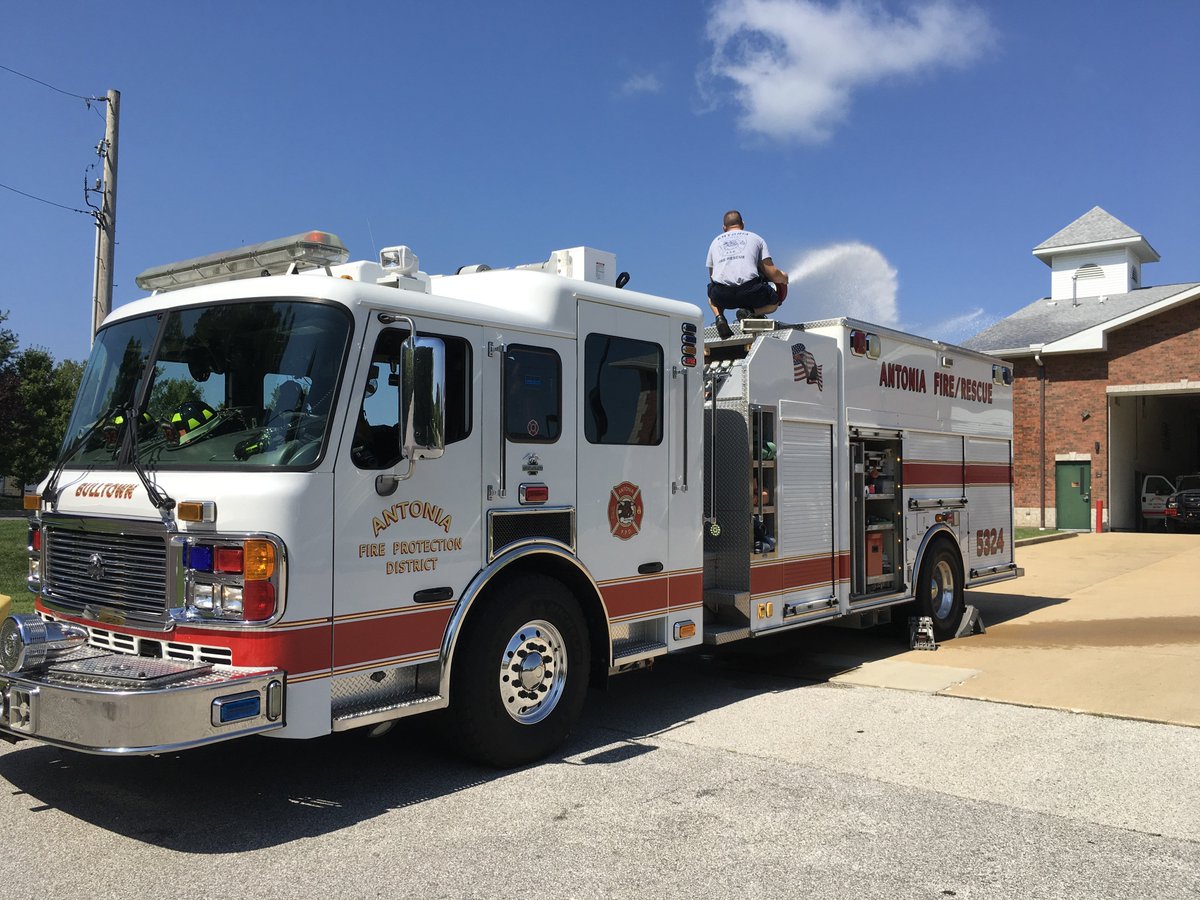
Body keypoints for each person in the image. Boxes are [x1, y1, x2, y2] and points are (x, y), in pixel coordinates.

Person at [705, 210, 789, 339]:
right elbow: (772, 273)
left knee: (711, 296)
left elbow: (712, 278)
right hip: (751, 293)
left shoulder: (714, 242)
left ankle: (720, 318)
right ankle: (750, 312)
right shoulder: (756, 239)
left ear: (724, 228)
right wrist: (784, 277)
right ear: (742, 224)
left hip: (723, 296)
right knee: (774, 303)